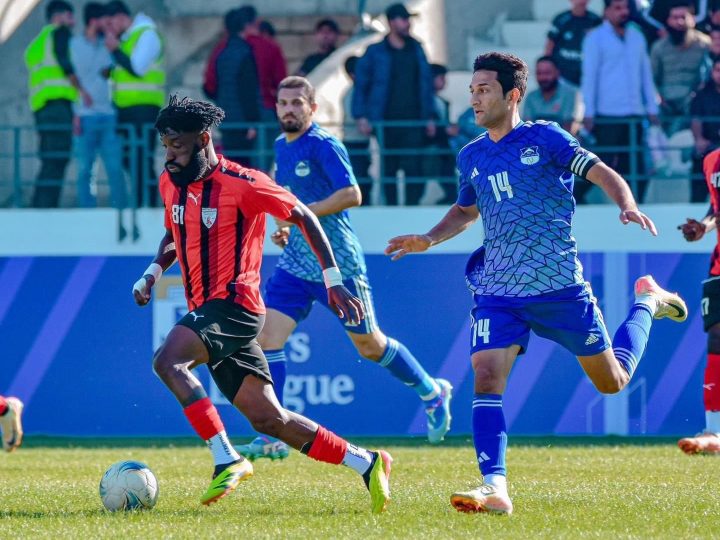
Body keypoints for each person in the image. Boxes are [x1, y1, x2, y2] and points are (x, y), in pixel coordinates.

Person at [385, 52, 688, 515]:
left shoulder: (545, 137)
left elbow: (602, 171)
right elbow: (467, 210)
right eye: (471, 90)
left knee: (612, 382)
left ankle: (647, 301)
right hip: (499, 289)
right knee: (486, 378)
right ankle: (496, 487)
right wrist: (429, 237)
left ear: (513, 94)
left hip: (559, 287)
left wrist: (624, 203)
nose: (474, 98)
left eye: (484, 89)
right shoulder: (471, 154)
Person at [132, 95, 392, 512]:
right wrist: (152, 273)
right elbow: (174, 231)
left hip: (235, 306)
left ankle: (225, 458)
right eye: (165, 147)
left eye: (177, 146)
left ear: (203, 140)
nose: (170, 156)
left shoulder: (244, 183)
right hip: (209, 310)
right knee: (270, 419)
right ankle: (368, 462)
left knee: (168, 361)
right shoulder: (171, 182)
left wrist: (333, 282)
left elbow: (304, 215)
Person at [235, 76, 452, 461]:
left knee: (370, 345)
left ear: (312, 108)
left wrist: (301, 216)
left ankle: (432, 392)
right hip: (296, 264)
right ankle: (274, 433)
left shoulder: (324, 144)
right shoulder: (280, 147)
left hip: (338, 262)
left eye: (296, 103)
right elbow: (288, 204)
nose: (288, 109)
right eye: (283, 103)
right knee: (267, 339)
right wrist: (287, 230)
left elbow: (353, 193)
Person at [353, 2, 435, 205]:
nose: (407, 23)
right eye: (403, 19)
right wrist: (361, 115)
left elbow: (426, 84)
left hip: (414, 120)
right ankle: (390, 207)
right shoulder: (375, 51)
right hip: (386, 121)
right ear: (391, 22)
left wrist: (430, 116)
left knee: (414, 168)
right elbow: (361, 84)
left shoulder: (417, 48)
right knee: (389, 167)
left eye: (408, 19)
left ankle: (412, 208)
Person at [582, 0, 660, 204]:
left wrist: (651, 106)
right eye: (617, 8)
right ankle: (579, 199)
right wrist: (588, 112)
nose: (623, 12)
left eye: (625, 8)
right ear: (606, 11)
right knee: (601, 164)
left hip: (635, 112)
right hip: (607, 113)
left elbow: (645, 75)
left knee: (638, 166)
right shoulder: (595, 38)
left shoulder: (637, 35)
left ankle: (634, 206)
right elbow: (589, 78)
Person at [24, 0, 89, 208]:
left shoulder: (38, 42)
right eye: (69, 16)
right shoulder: (59, 33)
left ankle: (40, 203)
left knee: (49, 157)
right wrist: (81, 90)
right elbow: (65, 63)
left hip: (42, 107)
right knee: (58, 156)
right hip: (58, 105)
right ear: (58, 16)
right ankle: (45, 205)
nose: (72, 21)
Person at [678, 148, 720, 455]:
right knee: (717, 337)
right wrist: (704, 226)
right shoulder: (710, 160)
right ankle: (714, 430)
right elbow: (715, 208)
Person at [105, 0, 165, 207]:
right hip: (126, 109)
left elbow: (138, 68)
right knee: (128, 158)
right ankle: (141, 200)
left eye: (112, 24)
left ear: (122, 18)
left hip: (144, 108)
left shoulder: (147, 34)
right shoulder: (128, 38)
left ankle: (146, 202)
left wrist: (115, 51)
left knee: (141, 157)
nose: (110, 31)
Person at [71, 2, 127, 221]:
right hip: (84, 117)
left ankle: (120, 210)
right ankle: (87, 214)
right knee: (85, 168)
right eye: (105, 19)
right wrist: (75, 112)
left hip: (109, 116)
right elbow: (68, 78)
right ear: (94, 21)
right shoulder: (74, 45)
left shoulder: (110, 45)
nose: (109, 23)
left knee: (114, 167)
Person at [650, 1, 709, 134]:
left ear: (692, 19)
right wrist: (659, 97)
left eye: (683, 17)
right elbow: (652, 79)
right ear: (668, 21)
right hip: (666, 106)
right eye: (675, 18)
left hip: (693, 105)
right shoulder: (659, 48)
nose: (679, 22)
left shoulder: (704, 45)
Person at [214, 8, 261, 167]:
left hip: (226, 119)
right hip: (243, 121)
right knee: (246, 167)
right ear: (245, 26)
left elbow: (216, 86)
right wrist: (252, 122)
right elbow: (248, 90)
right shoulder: (245, 53)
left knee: (232, 165)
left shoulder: (222, 54)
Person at [544, 0, 602, 87]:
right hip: (564, 77)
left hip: (588, 77)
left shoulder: (595, 20)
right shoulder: (561, 19)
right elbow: (550, 45)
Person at [425, 63, 459, 204]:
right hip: (434, 146)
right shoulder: (426, 102)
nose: (444, 81)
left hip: (443, 146)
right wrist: (445, 130)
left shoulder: (440, 101)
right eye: (441, 78)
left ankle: (452, 197)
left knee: (448, 172)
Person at [522, 56, 583, 135]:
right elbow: (527, 128)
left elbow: (570, 129)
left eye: (547, 73)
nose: (543, 77)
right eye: (539, 73)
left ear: (557, 73)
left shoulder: (571, 94)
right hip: (536, 144)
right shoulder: (531, 97)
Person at [342, 56, 372, 204]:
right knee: (360, 177)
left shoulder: (355, 92)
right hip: (353, 141)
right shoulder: (352, 94)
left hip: (360, 142)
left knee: (363, 175)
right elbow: (354, 117)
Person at [690, 57, 720, 202]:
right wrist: (699, 139)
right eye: (717, 70)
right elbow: (696, 119)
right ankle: (696, 220)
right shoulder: (702, 94)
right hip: (708, 147)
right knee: (699, 164)